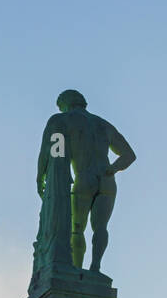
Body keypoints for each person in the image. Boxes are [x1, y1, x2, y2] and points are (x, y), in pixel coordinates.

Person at [36, 90, 136, 272]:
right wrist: (113, 168)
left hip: (85, 178)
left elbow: (51, 153)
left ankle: (76, 268)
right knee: (100, 228)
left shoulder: (62, 120)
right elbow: (129, 155)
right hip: (107, 180)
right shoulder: (103, 124)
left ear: (65, 104)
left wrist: (40, 176)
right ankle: (96, 266)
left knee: (77, 229)